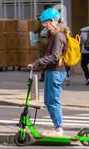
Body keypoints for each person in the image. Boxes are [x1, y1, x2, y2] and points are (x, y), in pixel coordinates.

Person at [30, 8, 71, 137]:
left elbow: (55, 56)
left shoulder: (59, 36)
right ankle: (56, 127)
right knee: (48, 101)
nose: (44, 25)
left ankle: (58, 128)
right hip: (50, 70)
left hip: (57, 72)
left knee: (53, 100)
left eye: (46, 23)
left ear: (54, 20)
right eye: (43, 23)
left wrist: (38, 62)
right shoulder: (52, 35)